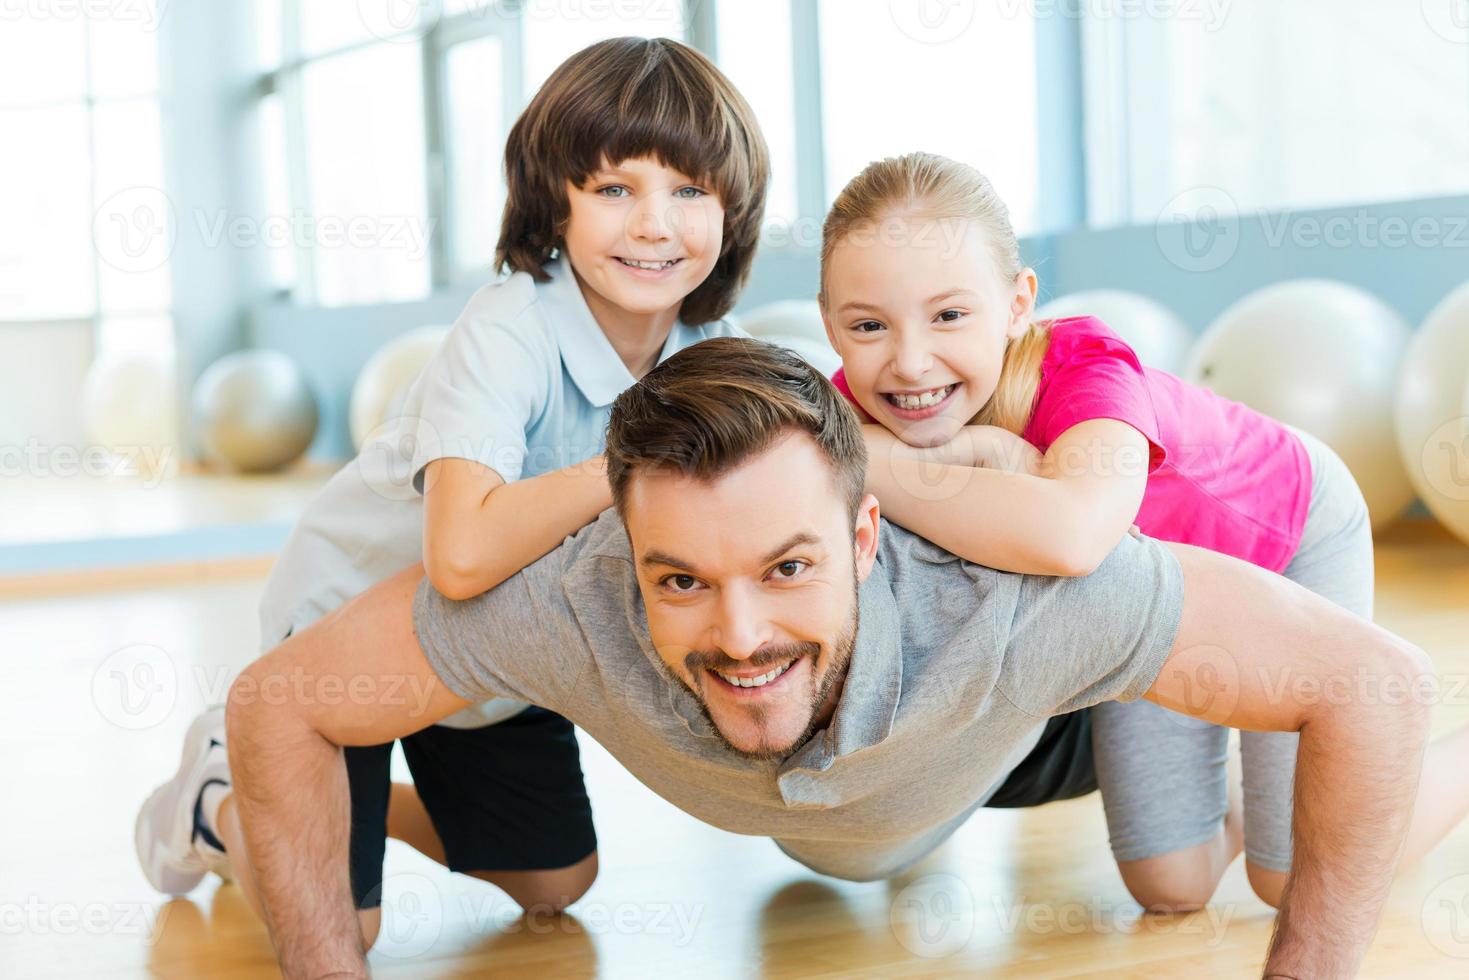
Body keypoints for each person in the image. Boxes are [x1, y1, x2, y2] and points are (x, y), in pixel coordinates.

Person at [212, 338, 1432, 978]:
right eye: (679, 579)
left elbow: (1376, 684)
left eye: (787, 567)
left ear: (864, 532)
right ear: (620, 547)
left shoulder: (1019, 597)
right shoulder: (567, 596)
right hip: (866, 811)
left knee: (1201, 870)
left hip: (1026, 728)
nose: (738, 635)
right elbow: (279, 703)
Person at [133, 36, 770, 936]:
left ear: (732, 208)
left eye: (689, 190)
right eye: (615, 188)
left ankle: (334, 811)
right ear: (557, 201)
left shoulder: (708, 350)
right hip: (349, 624)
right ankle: (218, 800)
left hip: (488, 654)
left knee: (558, 881)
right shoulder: (510, 324)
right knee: (346, 930)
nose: (654, 224)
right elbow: (462, 556)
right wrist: (631, 463)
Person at [815, 150, 1467, 908]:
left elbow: (1074, 537)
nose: (910, 362)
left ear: (1017, 302)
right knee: (1171, 884)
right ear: (829, 322)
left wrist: (962, 452)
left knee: (1289, 878)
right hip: (1157, 599)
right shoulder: (853, 408)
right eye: (867, 325)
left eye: (949, 315)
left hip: (1289, 537)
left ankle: (1387, 777)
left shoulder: (1085, 365)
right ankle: (1281, 785)